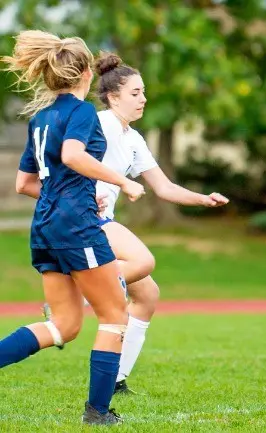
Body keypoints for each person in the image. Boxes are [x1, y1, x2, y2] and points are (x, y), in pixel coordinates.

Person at [39, 52, 230, 395]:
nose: (144, 98)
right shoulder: (99, 122)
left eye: (144, 92)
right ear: (113, 96)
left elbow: (164, 187)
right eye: (136, 93)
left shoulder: (133, 138)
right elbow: (67, 161)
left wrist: (203, 199)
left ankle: (116, 379)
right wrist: (83, 197)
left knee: (148, 295)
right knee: (141, 262)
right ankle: (77, 296)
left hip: (100, 218)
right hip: (84, 218)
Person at [2, 30, 146, 425]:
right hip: (76, 229)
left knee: (63, 325)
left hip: (45, 228)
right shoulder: (81, 112)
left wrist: (75, 196)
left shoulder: (41, 118)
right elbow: (72, 155)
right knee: (115, 315)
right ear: (85, 73)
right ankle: (98, 414)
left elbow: (25, 184)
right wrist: (121, 182)